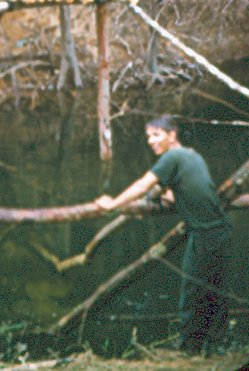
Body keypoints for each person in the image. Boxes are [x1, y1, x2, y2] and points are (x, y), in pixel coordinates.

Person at [96, 116, 233, 358]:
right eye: (149, 136)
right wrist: (153, 200)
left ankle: (187, 350)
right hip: (220, 231)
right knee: (214, 290)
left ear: (172, 135)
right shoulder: (191, 155)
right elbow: (170, 189)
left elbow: (143, 184)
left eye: (157, 134)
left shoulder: (172, 157)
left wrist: (113, 204)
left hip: (205, 234)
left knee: (192, 292)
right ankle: (218, 345)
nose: (151, 140)